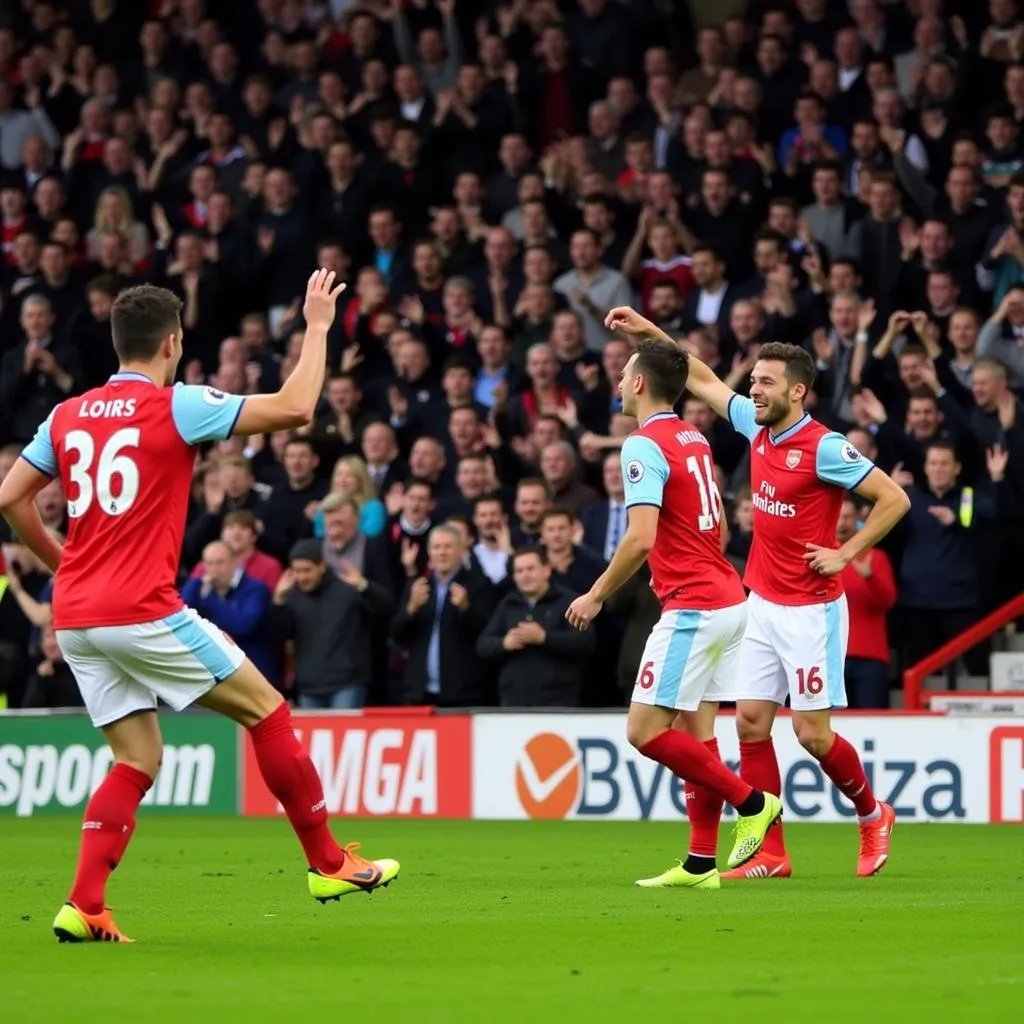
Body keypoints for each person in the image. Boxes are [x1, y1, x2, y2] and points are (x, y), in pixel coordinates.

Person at [0, 272, 399, 945]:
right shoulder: (177, 405)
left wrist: (63, 560)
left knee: (137, 758)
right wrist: (322, 324)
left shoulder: (67, 414)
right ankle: (329, 864)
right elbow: (298, 407)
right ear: (172, 344)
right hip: (140, 609)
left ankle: (85, 904)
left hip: (76, 619)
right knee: (267, 711)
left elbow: (12, 499)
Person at [602, 305, 910, 879]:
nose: (752, 390)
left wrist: (846, 553)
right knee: (748, 724)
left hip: (812, 609)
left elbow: (894, 498)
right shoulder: (754, 425)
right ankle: (771, 853)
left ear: (798, 392)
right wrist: (649, 333)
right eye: (753, 382)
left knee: (812, 735)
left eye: (765, 382)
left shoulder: (824, 447)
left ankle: (872, 813)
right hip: (759, 602)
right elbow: (697, 376)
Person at [564, 337, 783, 888]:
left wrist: (595, 594)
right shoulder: (695, 438)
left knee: (643, 730)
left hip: (695, 606)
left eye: (622, 374)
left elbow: (640, 538)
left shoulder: (641, 445)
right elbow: (721, 525)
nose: (617, 383)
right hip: (729, 598)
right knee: (698, 736)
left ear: (638, 383)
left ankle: (753, 803)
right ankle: (700, 862)